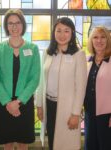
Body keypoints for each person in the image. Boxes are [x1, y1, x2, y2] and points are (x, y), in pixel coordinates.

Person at [0, 9, 40, 150]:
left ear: (23, 24)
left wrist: (17, 102)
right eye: (10, 23)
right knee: (8, 142)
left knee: (23, 142)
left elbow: (34, 78)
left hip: (24, 101)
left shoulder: (33, 48)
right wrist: (8, 102)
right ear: (6, 26)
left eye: (17, 22)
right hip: (3, 101)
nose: (14, 26)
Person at [36, 17, 87, 150]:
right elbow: (41, 81)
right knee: (52, 141)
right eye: (58, 31)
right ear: (54, 33)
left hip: (68, 108)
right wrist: (39, 105)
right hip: (49, 104)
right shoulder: (47, 53)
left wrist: (76, 113)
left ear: (72, 33)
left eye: (66, 31)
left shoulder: (78, 55)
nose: (62, 35)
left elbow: (81, 87)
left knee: (66, 144)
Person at [84, 26, 111, 150]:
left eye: (102, 37)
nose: (99, 41)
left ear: (108, 40)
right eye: (95, 37)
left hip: (107, 114)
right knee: (90, 145)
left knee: (105, 145)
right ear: (91, 40)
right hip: (89, 112)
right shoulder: (87, 60)